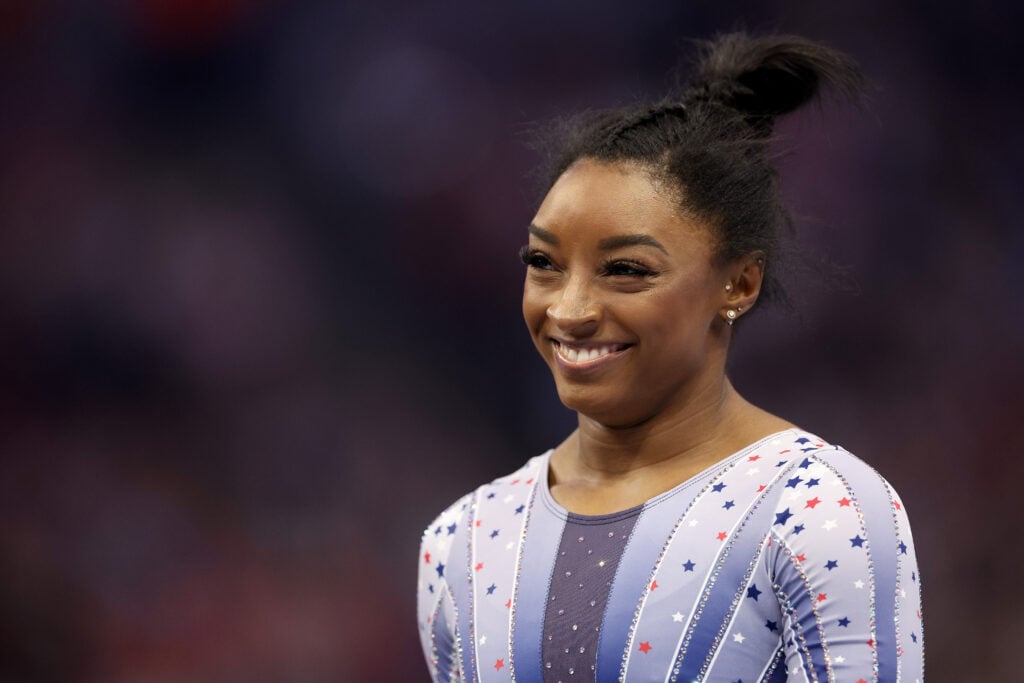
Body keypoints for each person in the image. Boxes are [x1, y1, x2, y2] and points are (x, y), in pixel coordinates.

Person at [417, 32, 923, 682]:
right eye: (544, 263)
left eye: (625, 270)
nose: (570, 309)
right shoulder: (464, 539)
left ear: (738, 283)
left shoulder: (819, 510)